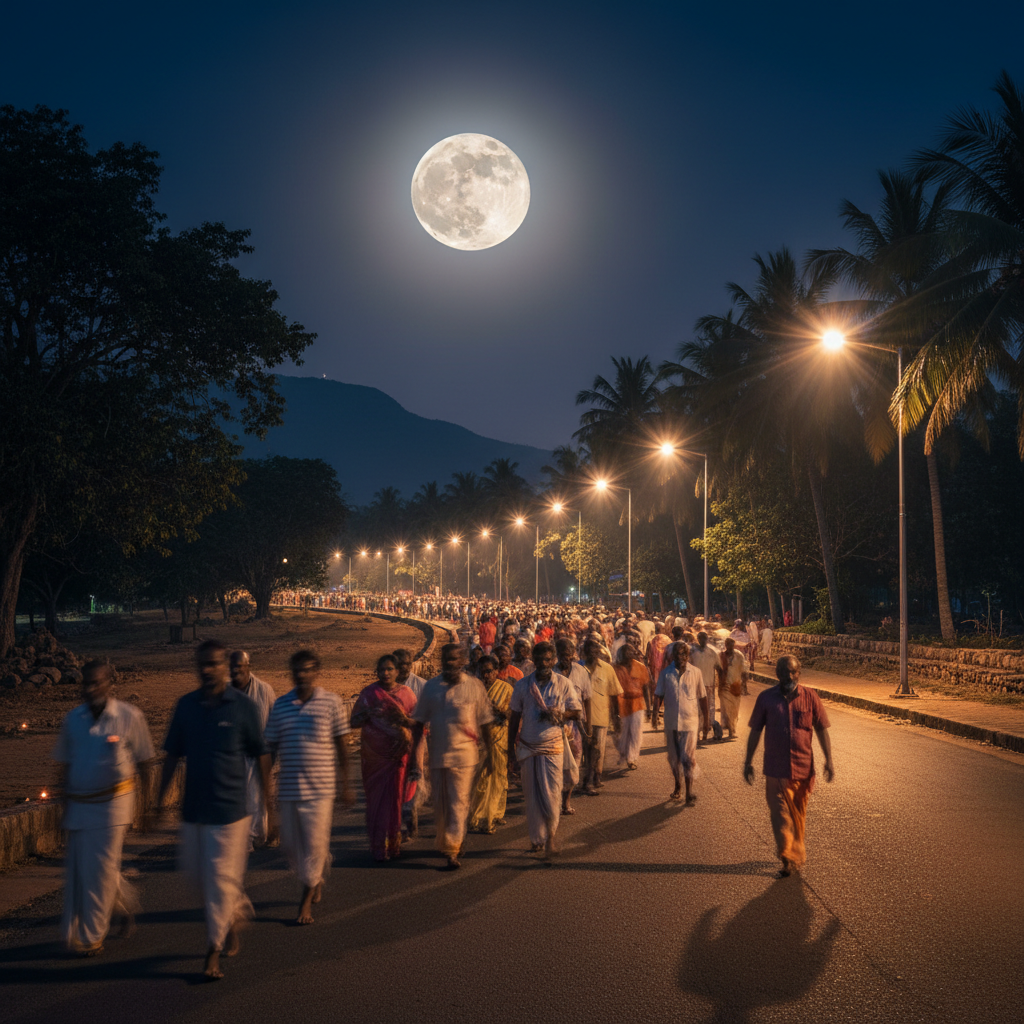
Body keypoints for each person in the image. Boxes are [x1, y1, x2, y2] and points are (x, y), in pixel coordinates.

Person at [157, 639, 270, 980]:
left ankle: (213, 951)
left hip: (231, 813)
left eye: (214, 664)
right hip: (193, 812)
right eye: (201, 664)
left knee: (219, 880)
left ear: (225, 667)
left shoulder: (243, 707)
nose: (208, 670)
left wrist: (269, 808)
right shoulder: (186, 706)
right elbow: (172, 755)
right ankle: (231, 913)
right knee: (199, 880)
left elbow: (261, 754)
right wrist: (158, 802)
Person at [53, 660, 155, 956]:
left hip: (114, 804)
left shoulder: (128, 716)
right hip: (79, 805)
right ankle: (124, 906)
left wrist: (146, 808)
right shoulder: (73, 719)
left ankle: (92, 936)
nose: (90, 689)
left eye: (97, 683)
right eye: (86, 683)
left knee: (98, 869)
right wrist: (61, 809)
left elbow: (146, 762)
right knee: (85, 870)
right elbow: (63, 765)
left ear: (111, 683)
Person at [264, 649, 354, 924]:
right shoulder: (280, 706)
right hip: (289, 789)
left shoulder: (331, 703)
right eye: (297, 670)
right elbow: (270, 748)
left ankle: (305, 900)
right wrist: (265, 791)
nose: (302, 675)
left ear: (317, 672)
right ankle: (315, 876)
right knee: (291, 847)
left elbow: (342, 745)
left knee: (313, 846)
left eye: (308, 670)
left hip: (321, 790)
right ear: (291, 673)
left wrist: (346, 784)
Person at [743, 656, 834, 878]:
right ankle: (786, 856)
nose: (789, 677)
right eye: (785, 673)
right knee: (780, 815)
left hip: (803, 768)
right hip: (775, 769)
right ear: (777, 674)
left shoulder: (811, 696)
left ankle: (793, 851)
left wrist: (828, 759)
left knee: (797, 817)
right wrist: (748, 761)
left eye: (793, 672)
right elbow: (755, 731)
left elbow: (821, 729)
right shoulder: (766, 698)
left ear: (799, 673)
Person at [409, 644, 495, 870]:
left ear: (463, 661)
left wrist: (492, 755)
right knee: (442, 805)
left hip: (465, 757)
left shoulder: (474, 686)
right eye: (446, 659)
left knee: (458, 802)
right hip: (438, 755)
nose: (450, 663)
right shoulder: (431, 687)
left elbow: (485, 722)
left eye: (454, 659)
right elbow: (418, 723)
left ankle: (452, 851)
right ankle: (452, 840)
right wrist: (414, 756)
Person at [507, 642, 582, 859]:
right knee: (531, 796)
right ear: (534, 659)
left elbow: (576, 712)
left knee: (551, 793)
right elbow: (514, 718)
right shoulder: (522, 685)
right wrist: (510, 749)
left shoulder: (563, 684)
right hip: (528, 747)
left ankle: (550, 836)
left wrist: (559, 715)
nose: (543, 664)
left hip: (553, 747)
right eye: (539, 659)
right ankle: (536, 838)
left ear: (554, 660)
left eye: (548, 660)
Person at [350, 654, 417, 862]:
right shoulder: (369, 694)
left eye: (389, 669)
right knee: (376, 802)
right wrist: (369, 712)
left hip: (398, 756)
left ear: (397, 672)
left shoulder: (407, 694)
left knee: (395, 800)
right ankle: (378, 846)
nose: (385, 673)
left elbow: (419, 725)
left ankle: (393, 845)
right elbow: (353, 721)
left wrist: (402, 719)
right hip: (373, 758)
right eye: (381, 670)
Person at [229, 650, 276, 849]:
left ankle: (257, 836)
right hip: (233, 758)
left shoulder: (264, 691)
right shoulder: (224, 693)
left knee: (257, 800)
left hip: (260, 756)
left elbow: (274, 723)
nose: (236, 670)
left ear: (249, 666)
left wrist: (272, 756)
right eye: (233, 666)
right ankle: (242, 841)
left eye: (240, 665)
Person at [652, 643, 708, 805]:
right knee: (674, 758)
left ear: (688, 656)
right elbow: (658, 695)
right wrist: (655, 714)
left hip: (690, 722)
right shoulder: (665, 674)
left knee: (688, 757)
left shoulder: (696, 673)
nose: (681, 658)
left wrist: (706, 721)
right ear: (672, 657)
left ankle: (689, 792)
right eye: (678, 655)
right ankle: (678, 784)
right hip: (671, 722)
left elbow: (703, 697)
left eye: (684, 655)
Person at [468, 654, 513, 834]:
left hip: (499, 739)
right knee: (479, 780)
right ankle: (475, 816)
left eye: (489, 672)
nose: (486, 676)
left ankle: (492, 816)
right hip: (477, 741)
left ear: (496, 672)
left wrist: (495, 710)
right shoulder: (474, 690)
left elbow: (510, 714)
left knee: (498, 777)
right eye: (482, 672)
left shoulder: (507, 689)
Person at [393, 648, 428, 839]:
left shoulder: (422, 686)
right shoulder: (386, 687)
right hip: (392, 744)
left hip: (417, 743)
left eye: (406, 663)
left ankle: (411, 821)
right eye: (399, 664)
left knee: (414, 783)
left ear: (411, 663)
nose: (403, 667)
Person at [555, 637, 592, 816]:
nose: (566, 658)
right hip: (555, 725)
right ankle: (555, 799)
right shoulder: (551, 672)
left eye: (568, 654)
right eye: (562, 654)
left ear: (573, 654)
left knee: (574, 762)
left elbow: (587, 699)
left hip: (576, 725)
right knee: (556, 762)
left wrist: (589, 726)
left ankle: (566, 800)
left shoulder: (581, 672)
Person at [582, 639, 622, 794]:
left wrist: (616, 716)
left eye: (595, 650)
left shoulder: (607, 669)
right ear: (584, 651)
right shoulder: (578, 668)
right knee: (584, 751)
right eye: (589, 650)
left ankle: (594, 778)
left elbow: (614, 695)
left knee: (598, 750)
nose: (592, 653)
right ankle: (587, 780)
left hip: (600, 716)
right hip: (581, 718)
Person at [613, 643, 650, 770]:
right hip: (621, 703)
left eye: (630, 654)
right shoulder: (616, 669)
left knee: (635, 731)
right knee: (622, 732)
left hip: (637, 703)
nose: (628, 657)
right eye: (625, 654)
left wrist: (649, 708)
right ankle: (624, 754)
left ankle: (632, 758)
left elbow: (645, 689)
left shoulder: (640, 667)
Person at [715, 637, 749, 740]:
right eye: (727, 644)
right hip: (724, 686)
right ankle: (731, 731)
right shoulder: (721, 656)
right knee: (726, 708)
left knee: (734, 709)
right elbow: (717, 669)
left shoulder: (739, 655)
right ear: (725, 645)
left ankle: (731, 728)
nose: (729, 647)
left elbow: (744, 670)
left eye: (731, 645)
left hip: (735, 686)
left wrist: (744, 684)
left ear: (733, 645)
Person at [690, 631, 721, 742]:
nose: (703, 640)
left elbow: (719, 668)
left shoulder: (712, 652)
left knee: (708, 710)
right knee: (697, 710)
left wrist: (721, 683)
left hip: (709, 686)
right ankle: (697, 733)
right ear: (698, 639)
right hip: (695, 686)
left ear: (707, 639)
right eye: (700, 638)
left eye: (704, 638)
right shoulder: (692, 652)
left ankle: (705, 733)